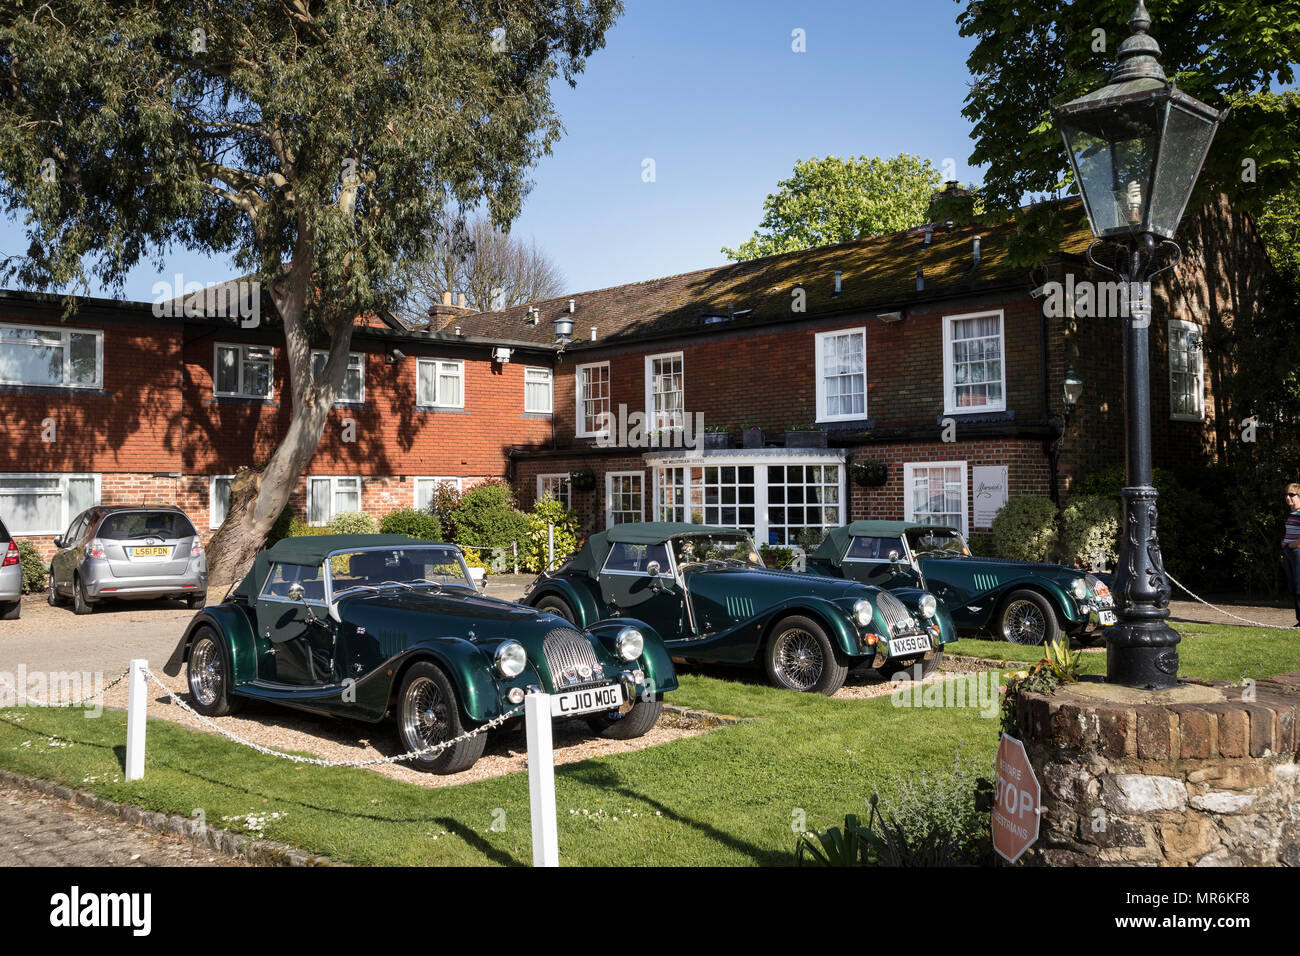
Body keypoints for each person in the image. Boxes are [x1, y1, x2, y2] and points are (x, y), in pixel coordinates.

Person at [1284, 483, 1300, 628]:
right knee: (1294, 587)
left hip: (1297, 552)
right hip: (1289, 552)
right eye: (1287, 495)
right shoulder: (1292, 514)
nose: (1288, 497)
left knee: (1299, 586)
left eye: (1292, 495)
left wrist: (1296, 544)